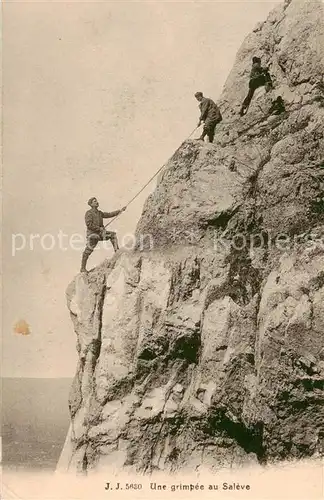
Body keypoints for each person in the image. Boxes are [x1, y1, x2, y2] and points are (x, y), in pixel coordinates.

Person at [80, 197, 126, 273]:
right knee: (88, 251)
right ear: (91, 204)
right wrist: (99, 228)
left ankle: (117, 252)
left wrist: (120, 211)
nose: (97, 202)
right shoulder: (89, 213)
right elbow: (89, 224)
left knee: (113, 235)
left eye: (96, 201)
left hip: (100, 234)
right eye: (95, 201)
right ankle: (82, 268)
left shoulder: (99, 213)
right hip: (92, 235)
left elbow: (108, 214)